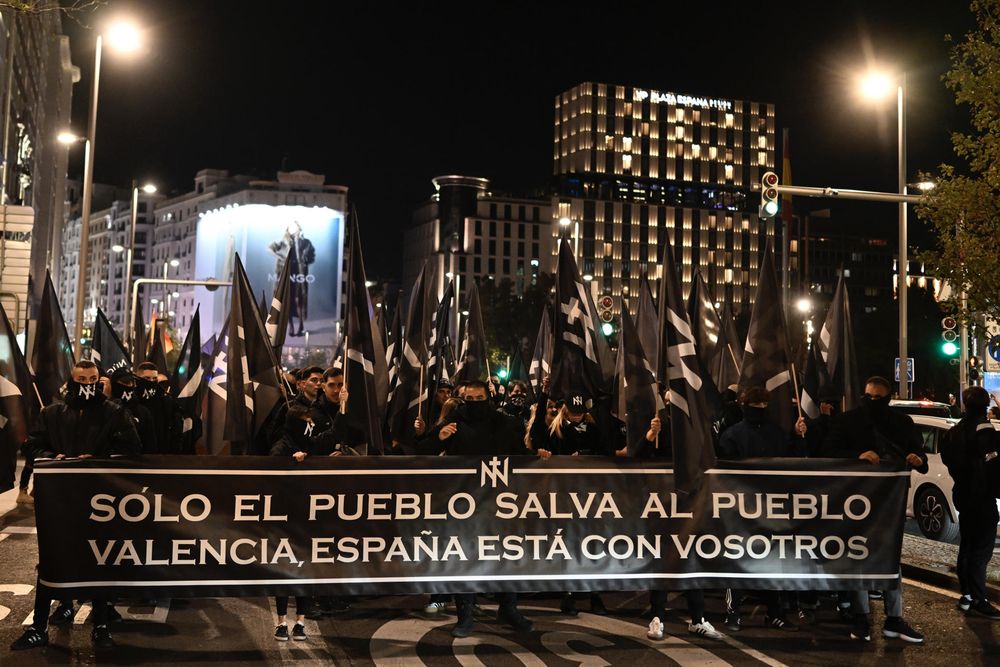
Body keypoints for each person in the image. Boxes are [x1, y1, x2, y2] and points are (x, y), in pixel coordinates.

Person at [10, 360, 141, 651]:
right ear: (72, 380)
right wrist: (53, 457)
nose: (87, 384)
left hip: (100, 502)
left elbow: (130, 450)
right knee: (53, 559)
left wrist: (96, 462)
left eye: (92, 378)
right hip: (59, 502)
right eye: (81, 379)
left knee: (97, 558)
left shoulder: (114, 413)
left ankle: (101, 625)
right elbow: (32, 446)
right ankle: (40, 625)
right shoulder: (53, 413)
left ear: (100, 379)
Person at [417, 380, 533, 638]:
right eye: (469, 399)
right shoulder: (454, 423)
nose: (474, 404)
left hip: (501, 503)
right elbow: (421, 451)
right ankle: (465, 615)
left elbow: (521, 456)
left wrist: (540, 455)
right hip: (464, 504)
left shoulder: (505, 423)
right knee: (466, 557)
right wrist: (439, 437)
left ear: (487, 398)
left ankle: (509, 608)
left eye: (479, 399)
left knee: (507, 555)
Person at [824, 375, 928, 644]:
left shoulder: (902, 423)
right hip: (856, 500)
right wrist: (856, 456)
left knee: (891, 559)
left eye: (878, 398)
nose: (872, 402)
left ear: (888, 398)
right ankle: (862, 618)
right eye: (868, 397)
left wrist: (917, 458)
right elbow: (828, 452)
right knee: (859, 557)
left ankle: (894, 619)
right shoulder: (848, 421)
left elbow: (919, 455)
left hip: (890, 504)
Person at [719, 386, 802, 632]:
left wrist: (798, 437)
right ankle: (733, 613)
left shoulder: (776, 433)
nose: (760, 411)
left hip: (771, 508)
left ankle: (774, 612)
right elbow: (724, 470)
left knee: (773, 560)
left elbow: (793, 464)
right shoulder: (731, 435)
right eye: (755, 407)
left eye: (763, 406)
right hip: (741, 509)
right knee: (738, 560)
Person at [941, 386, 1000, 619]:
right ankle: (979, 598)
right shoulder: (984, 430)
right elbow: (993, 463)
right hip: (981, 497)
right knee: (981, 550)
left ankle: (966, 595)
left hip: (963, 494)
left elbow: (949, 459)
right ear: (986, 404)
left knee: (967, 545)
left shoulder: (955, 431)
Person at [270, 404, 315, 639]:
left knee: (305, 572)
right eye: (306, 422)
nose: (310, 427)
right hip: (285, 521)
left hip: (307, 520)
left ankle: (300, 622)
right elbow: (272, 481)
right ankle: (280, 622)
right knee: (284, 572)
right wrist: (291, 464)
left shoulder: (309, 446)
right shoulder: (280, 448)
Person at [268, 221, 315, 338]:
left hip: (299, 274)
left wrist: (304, 261)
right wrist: (280, 257)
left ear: (299, 228)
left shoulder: (305, 242)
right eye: (291, 227)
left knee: (299, 299)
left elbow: (312, 256)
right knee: (287, 300)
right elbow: (269, 249)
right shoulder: (283, 241)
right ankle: (291, 326)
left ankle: (301, 325)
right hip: (287, 273)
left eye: (295, 227)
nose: (293, 229)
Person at [134, 362, 186, 454]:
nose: (151, 381)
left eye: (154, 378)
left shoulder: (164, 399)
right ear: (137, 378)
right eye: (147, 378)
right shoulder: (131, 399)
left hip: (160, 454)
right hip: (137, 454)